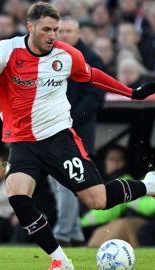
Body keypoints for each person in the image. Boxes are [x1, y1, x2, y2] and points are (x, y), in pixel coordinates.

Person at [0, 2, 155, 269]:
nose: (53, 35)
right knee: (17, 196)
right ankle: (60, 260)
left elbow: (93, 77)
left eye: (56, 29)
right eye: (46, 29)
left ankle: (149, 185)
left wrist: (131, 93)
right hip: (22, 142)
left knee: (98, 201)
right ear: (30, 27)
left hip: (58, 140)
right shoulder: (10, 48)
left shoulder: (66, 55)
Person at [49, 16, 105, 247]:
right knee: (58, 182)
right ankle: (74, 233)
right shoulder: (51, 56)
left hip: (77, 132)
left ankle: (62, 233)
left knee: (68, 184)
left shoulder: (90, 59)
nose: (64, 36)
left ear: (78, 33)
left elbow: (96, 98)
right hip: (52, 129)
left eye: (69, 31)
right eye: (60, 32)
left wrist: (69, 118)